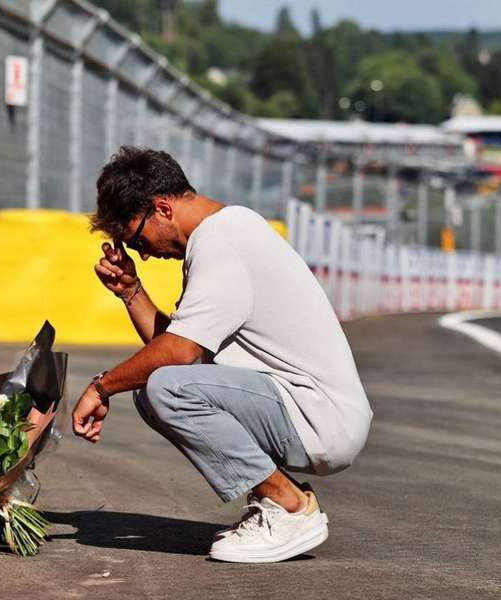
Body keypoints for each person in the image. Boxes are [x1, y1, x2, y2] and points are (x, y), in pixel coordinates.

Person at [71, 146, 372, 563]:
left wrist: (101, 387)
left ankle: (290, 508)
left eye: (136, 238)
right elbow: (179, 350)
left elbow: (178, 354)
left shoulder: (221, 244)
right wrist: (131, 292)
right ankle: (280, 498)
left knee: (162, 388)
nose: (142, 252)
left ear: (162, 208)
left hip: (319, 416)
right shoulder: (223, 234)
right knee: (155, 386)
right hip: (309, 410)